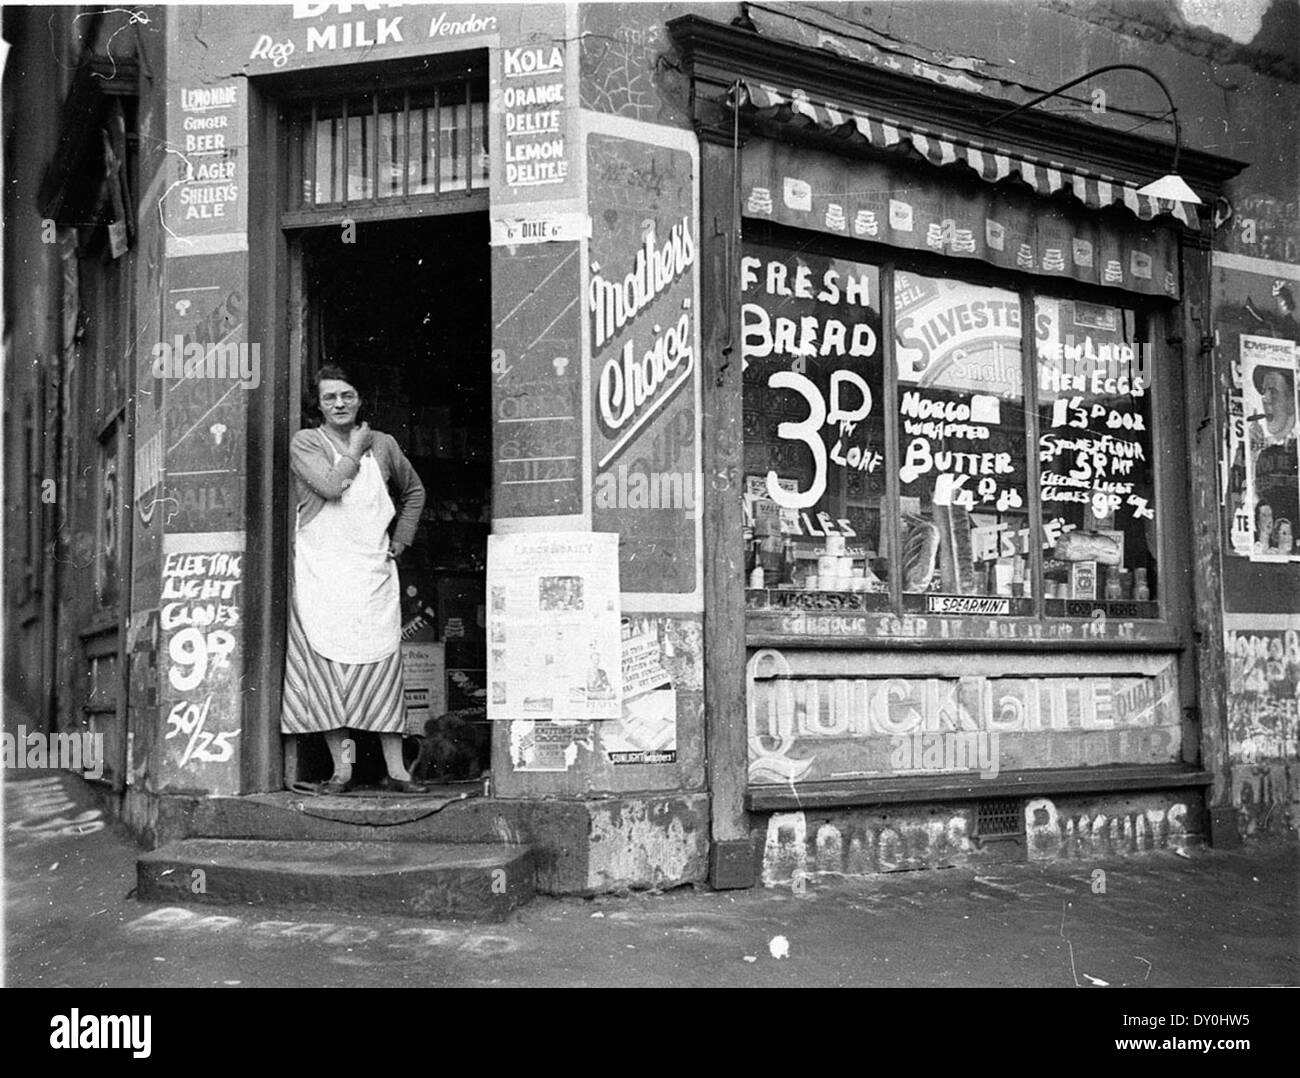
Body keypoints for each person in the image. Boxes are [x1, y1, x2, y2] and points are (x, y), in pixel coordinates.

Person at [281, 364, 428, 793]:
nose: (340, 404)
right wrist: (355, 447)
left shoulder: (383, 445)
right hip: (322, 573)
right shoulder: (306, 442)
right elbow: (330, 486)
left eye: (347, 395)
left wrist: (400, 540)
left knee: (380, 673)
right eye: (330, 398)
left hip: (370, 573)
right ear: (319, 405)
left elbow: (415, 492)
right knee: (330, 678)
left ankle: (397, 772)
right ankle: (341, 771)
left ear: (360, 398)